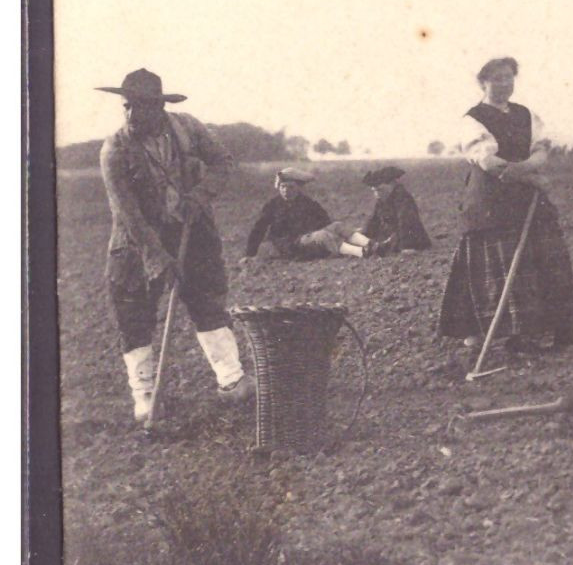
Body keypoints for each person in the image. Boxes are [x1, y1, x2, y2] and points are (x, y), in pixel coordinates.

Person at [95, 68, 252, 422]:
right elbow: (127, 213)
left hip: (190, 229)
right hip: (135, 240)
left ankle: (231, 380)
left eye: (142, 107)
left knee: (207, 299)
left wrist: (200, 195)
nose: (133, 115)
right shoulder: (114, 150)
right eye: (127, 107)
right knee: (133, 314)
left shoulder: (188, 128)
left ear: (159, 108)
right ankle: (146, 397)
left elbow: (222, 163)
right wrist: (157, 255)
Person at [437, 56, 573, 356]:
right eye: (497, 78)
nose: (504, 83)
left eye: (508, 77)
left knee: (546, 258)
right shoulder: (473, 119)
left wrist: (530, 168)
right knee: (503, 266)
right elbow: (489, 162)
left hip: (528, 200)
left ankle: (557, 330)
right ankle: (515, 336)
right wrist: (533, 179)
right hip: (492, 201)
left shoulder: (527, 115)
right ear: (482, 82)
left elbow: (542, 150)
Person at [242, 168, 378, 261]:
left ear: (299, 188)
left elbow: (325, 221)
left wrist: (342, 231)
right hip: (291, 247)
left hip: (310, 240)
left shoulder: (307, 202)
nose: (286, 191)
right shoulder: (272, 205)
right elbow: (258, 229)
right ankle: (361, 252)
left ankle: (372, 244)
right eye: (283, 187)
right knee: (324, 235)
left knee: (337, 226)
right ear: (279, 188)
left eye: (291, 187)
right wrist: (249, 254)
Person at [359, 166, 432, 255]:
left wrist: (406, 246)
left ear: (392, 185)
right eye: (374, 191)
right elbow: (373, 220)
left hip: (409, 238)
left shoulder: (403, 198)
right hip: (391, 234)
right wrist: (363, 235)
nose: (376, 194)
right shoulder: (383, 199)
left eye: (379, 190)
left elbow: (406, 222)